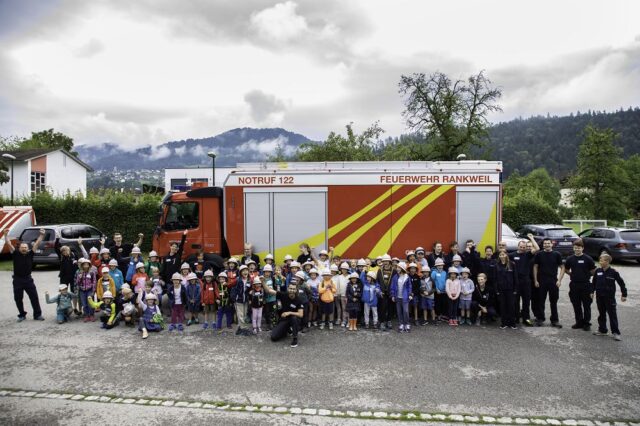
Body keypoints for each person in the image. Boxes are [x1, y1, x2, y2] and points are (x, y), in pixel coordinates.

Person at [4, 227, 46, 322]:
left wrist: (42, 235)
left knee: (34, 297)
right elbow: (9, 244)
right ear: (19, 248)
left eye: (25, 247)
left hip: (28, 279)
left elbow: (37, 243)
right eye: (22, 247)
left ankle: (37, 315)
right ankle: (22, 315)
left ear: (28, 248)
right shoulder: (15, 254)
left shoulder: (30, 254)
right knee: (18, 298)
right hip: (17, 280)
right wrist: (6, 235)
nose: (24, 249)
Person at [560, 239, 596, 331]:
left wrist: (586, 275)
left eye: (579, 248)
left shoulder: (588, 259)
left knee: (586, 305)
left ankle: (586, 323)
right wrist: (572, 274)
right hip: (574, 285)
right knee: (576, 305)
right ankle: (579, 322)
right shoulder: (570, 259)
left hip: (586, 285)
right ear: (573, 248)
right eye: (575, 248)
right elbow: (566, 269)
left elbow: (593, 271)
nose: (577, 249)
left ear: (582, 248)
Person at [592, 254, 627, 341]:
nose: (600, 262)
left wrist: (624, 294)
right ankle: (602, 330)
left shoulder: (613, 272)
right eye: (599, 260)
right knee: (601, 314)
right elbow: (593, 282)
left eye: (602, 260)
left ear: (607, 261)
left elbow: (621, 283)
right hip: (599, 297)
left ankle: (616, 332)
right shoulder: (598, 271)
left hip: (609, 297)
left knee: (612, 315)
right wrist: (591, 292)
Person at [533, 238, 564, 328]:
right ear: (543, 245)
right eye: (545, 243)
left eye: (548, 243)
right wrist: (535, 280)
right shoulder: (539, 254)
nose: (546, 245)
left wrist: (559, 280)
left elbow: (562, 267)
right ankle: (540, 318)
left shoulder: (557, 254)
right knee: (541, 301)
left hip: (553, 281)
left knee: (553, 301)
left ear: (552, 244)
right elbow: (535, 267)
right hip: (541, 281)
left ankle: (554, 320)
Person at [509, 235, 539, 326]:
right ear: (518, 246)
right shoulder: (512, 255)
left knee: (526, 301)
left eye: (524, 247)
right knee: (515, 301)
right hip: (515, 282)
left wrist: (532, 238)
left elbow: (537, 248)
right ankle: (516, 318)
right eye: (521, 247)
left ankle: (526, 319)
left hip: (526, 282)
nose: (522, 248)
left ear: (526, 248)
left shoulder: (528, 254)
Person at [54, 236, 85, 316]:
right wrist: (57, 239)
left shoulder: (74, 255)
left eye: (66, 250)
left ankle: (75, 308)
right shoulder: (61, 257)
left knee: (74, 293)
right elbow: (56, 247)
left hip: (73, 277)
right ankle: (63, 308)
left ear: (69, 249)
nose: (65, 252)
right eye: (63, 251)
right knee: (63, 293)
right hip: (64, 277)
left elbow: (79, 263)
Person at [267, 283, 304, 348]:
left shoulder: (299, 300)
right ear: (288, 289)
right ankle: (287, 329)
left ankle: (295, 338)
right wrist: (263, 281)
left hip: (294, 320)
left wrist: (289, 312)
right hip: (285, 319)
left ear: (296, 290)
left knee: (294, 318)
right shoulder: (284, 295)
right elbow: (269, 291)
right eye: (290, 288)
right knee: (274, 337)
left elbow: (301, 314)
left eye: (293, 289)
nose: (292, 290)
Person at [496, 250, 518, 330]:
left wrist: (515, 289)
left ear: (506, 255)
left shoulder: (512, 264)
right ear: (499, 256)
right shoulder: (497, 265)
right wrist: (496, 290)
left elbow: (515, 277)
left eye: (503, 254)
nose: (502, 256)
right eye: (500, 255)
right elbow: (495, 279)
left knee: (511, 306)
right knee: (503, 306)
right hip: (501, 289)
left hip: (510, 289)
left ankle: (512, 323)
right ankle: (504, 323)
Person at [390, 262, 412, 333]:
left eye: (399, 267)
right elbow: (392, 287)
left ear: (402, 268)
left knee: (405, 311)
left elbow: (409, 287)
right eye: (397, 267)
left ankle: (407, 324)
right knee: (399, 311)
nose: (397, 269)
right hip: (397, 297)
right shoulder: (395, 277)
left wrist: (410, 294)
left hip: (405, 297)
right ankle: (401, 324)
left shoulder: (407, 277)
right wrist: (393, 295)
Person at [376, 254, 395, 330]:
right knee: (382, 307)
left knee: (391, 307)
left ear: (389, 261)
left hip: (391, 292)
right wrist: (379, 291)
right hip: (382, 292)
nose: (386, 262)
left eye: (387, 261)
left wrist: (393, 292)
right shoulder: (380, 270)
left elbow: (395, 281)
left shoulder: (394, 270)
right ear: (382, 262)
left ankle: (389, 320)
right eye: (384, 261)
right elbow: (377, 281)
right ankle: (382, 322)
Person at [75, 258, 97, 322]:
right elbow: (77, 282)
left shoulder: (92, 273)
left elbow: (94, 282)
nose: (86, 266)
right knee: (84, 304)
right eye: (84, 265)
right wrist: (80, 277)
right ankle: (86, 315)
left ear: (89, 265)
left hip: (89, 290)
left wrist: (93, 290)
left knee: (90, 303)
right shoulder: (80, 272)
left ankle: (92, 315)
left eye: (87, 265)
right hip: (82, 290)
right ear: (82, 266)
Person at [232, 265, 251, 330]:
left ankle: (241, 327)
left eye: (246, 270)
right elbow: (231, 285)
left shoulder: (249, 280)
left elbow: (250, 289)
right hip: (238, 300)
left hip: (245, 300)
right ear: (240, 272)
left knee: (245, 314)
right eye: (243, 271)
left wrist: (251, 291)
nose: (245, 272)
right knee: (240, 315)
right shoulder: (237, 279)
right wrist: (226, 283)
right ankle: (243, 328)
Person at [262, 265, 277, 331]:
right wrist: (263, 299)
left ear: (271, 272)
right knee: (267, 312)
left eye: (269, 272)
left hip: (273, 298)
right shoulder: (262, 279)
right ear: (264, 272)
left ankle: (274, 323)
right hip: (266, 299)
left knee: (273, 311)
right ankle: (268, 324)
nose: (267, 273)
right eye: (266, 272)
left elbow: (276, 287)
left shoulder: (273, 278)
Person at [335, 262, 350, 327]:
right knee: (343, 308)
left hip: (349, 296)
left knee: (348, 309)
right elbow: (338, 286)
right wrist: (338, 294)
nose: (344, 270)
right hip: (342, 295)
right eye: (342, 269)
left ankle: (349, 321)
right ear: (341, 269)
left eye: (345, 269)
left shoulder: (350, 276)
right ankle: (344, 321)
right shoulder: (339, 277)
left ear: (347, 269)